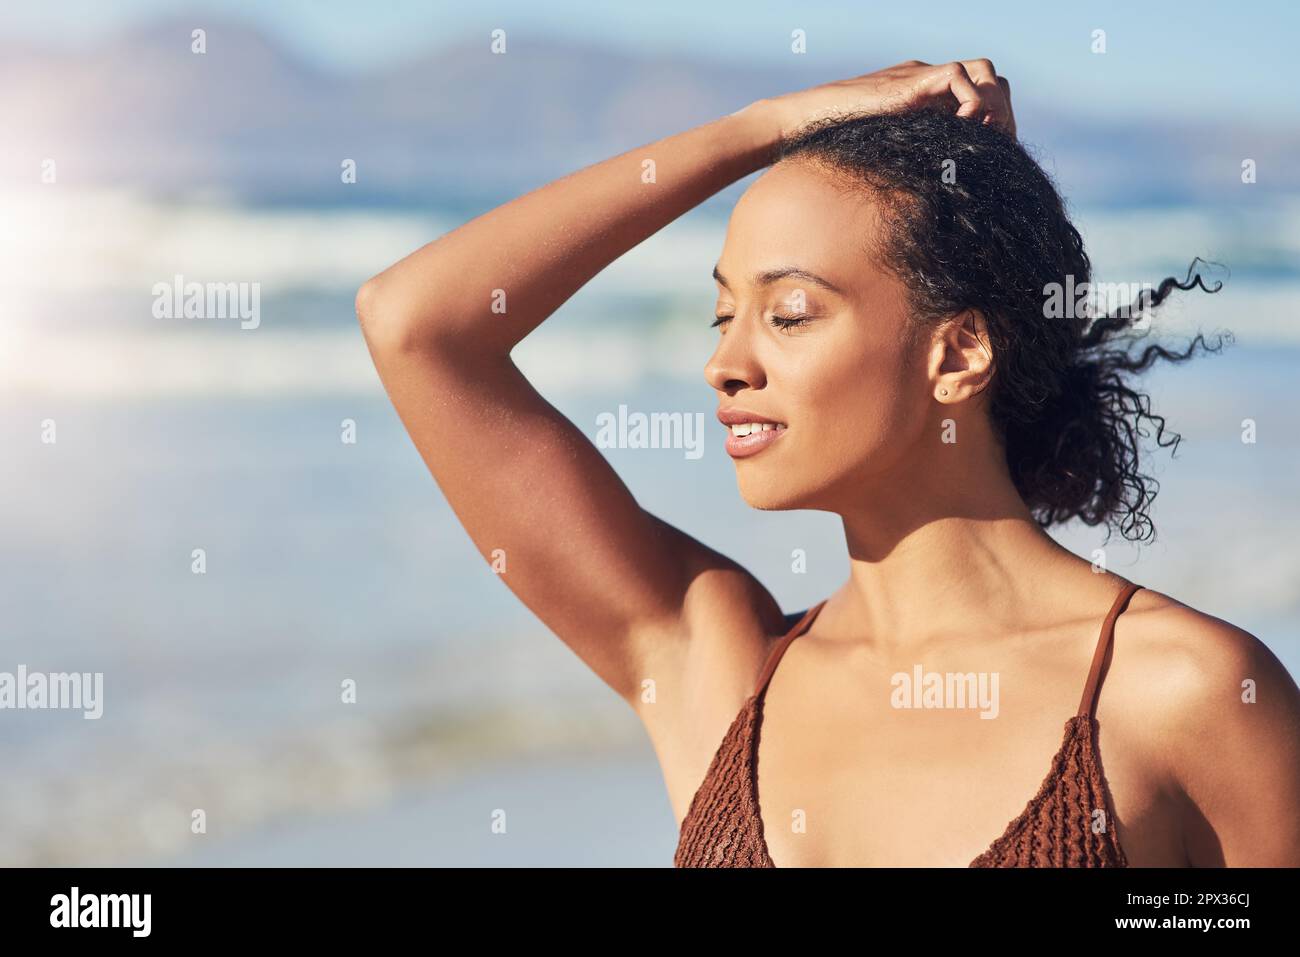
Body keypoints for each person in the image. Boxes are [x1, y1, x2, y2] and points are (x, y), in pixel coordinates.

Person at [356, 60, 1300, 866]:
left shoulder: (1185, 693)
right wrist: (762, 129)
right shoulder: (719, 668)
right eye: (722, 314)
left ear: (960, 353)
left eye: (790, 313)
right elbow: (417, 325)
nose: (725, 364)